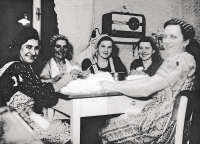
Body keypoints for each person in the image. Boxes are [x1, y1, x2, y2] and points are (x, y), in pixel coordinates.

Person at [98, 18, 198, 143]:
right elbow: (150, 80)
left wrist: (113, 86)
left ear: (185, 41)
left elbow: (146, 89)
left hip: (158, 127)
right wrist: (117, 83)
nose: (167, 41)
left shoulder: (177, 60)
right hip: (171, 124)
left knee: (103, 128)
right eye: (165, 36)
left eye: (173, 37)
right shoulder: (186, 59)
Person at [0, 27, 75, 144]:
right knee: (69, 133)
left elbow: (32, 87)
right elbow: (45, 96)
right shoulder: (18, 67)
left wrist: (48, 82)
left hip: (19, 120)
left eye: (36, 48)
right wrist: (64, 80)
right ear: (19, 46)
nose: (33, 53)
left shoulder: (16, 65)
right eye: (28, 47)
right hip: (13, 126)